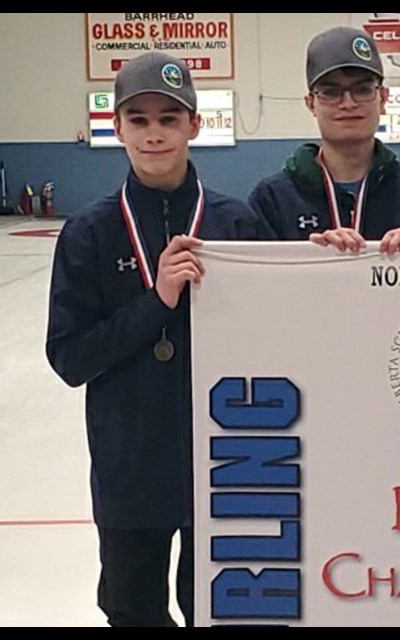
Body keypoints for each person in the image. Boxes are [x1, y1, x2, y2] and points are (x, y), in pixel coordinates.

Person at [45, 52, 265, 626]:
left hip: (227, 464)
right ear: (116, 128)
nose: (154, 133)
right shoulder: (89, 232)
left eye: (169, 118)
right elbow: (69, 358)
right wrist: (156, 302)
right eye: (138, 119)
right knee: (132, 609)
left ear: (195, 125)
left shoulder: (236, 225)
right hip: (130, 467)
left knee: (221, 612)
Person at [248, 26, 400, 254]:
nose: (348, 103)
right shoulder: (273, 199)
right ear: (311, 104)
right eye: (330, 91)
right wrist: (310, 257)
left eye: (363, 89)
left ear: (383, 98)